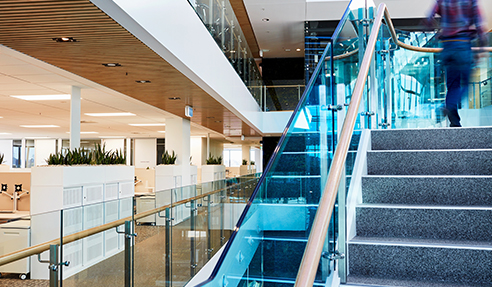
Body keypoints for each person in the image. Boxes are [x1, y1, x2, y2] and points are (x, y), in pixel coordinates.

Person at [427, 0, 487, 127]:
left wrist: (438, 30)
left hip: (447, 46)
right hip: (463, 44)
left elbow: (429, 18)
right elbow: (480, 25)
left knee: (452, 86)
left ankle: (454, 122)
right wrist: (482, 47)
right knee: (465, 84)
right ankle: (449, 106)